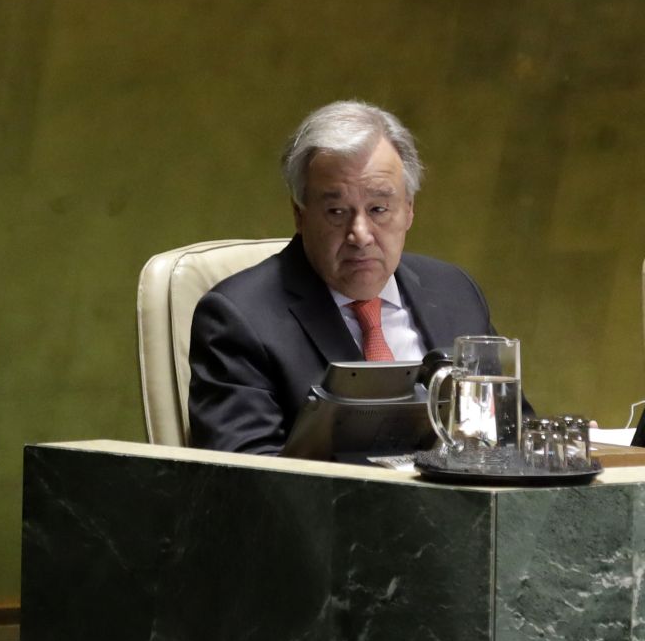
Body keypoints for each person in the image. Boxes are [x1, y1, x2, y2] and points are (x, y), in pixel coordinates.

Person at [188, 100, 501, 455]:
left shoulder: (455, 292)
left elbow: (508, 437)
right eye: (336, 211)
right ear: (300, 214)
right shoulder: (238, 317)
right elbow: (250, 479)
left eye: (379, 209)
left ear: (409, 209)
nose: (361, 234)